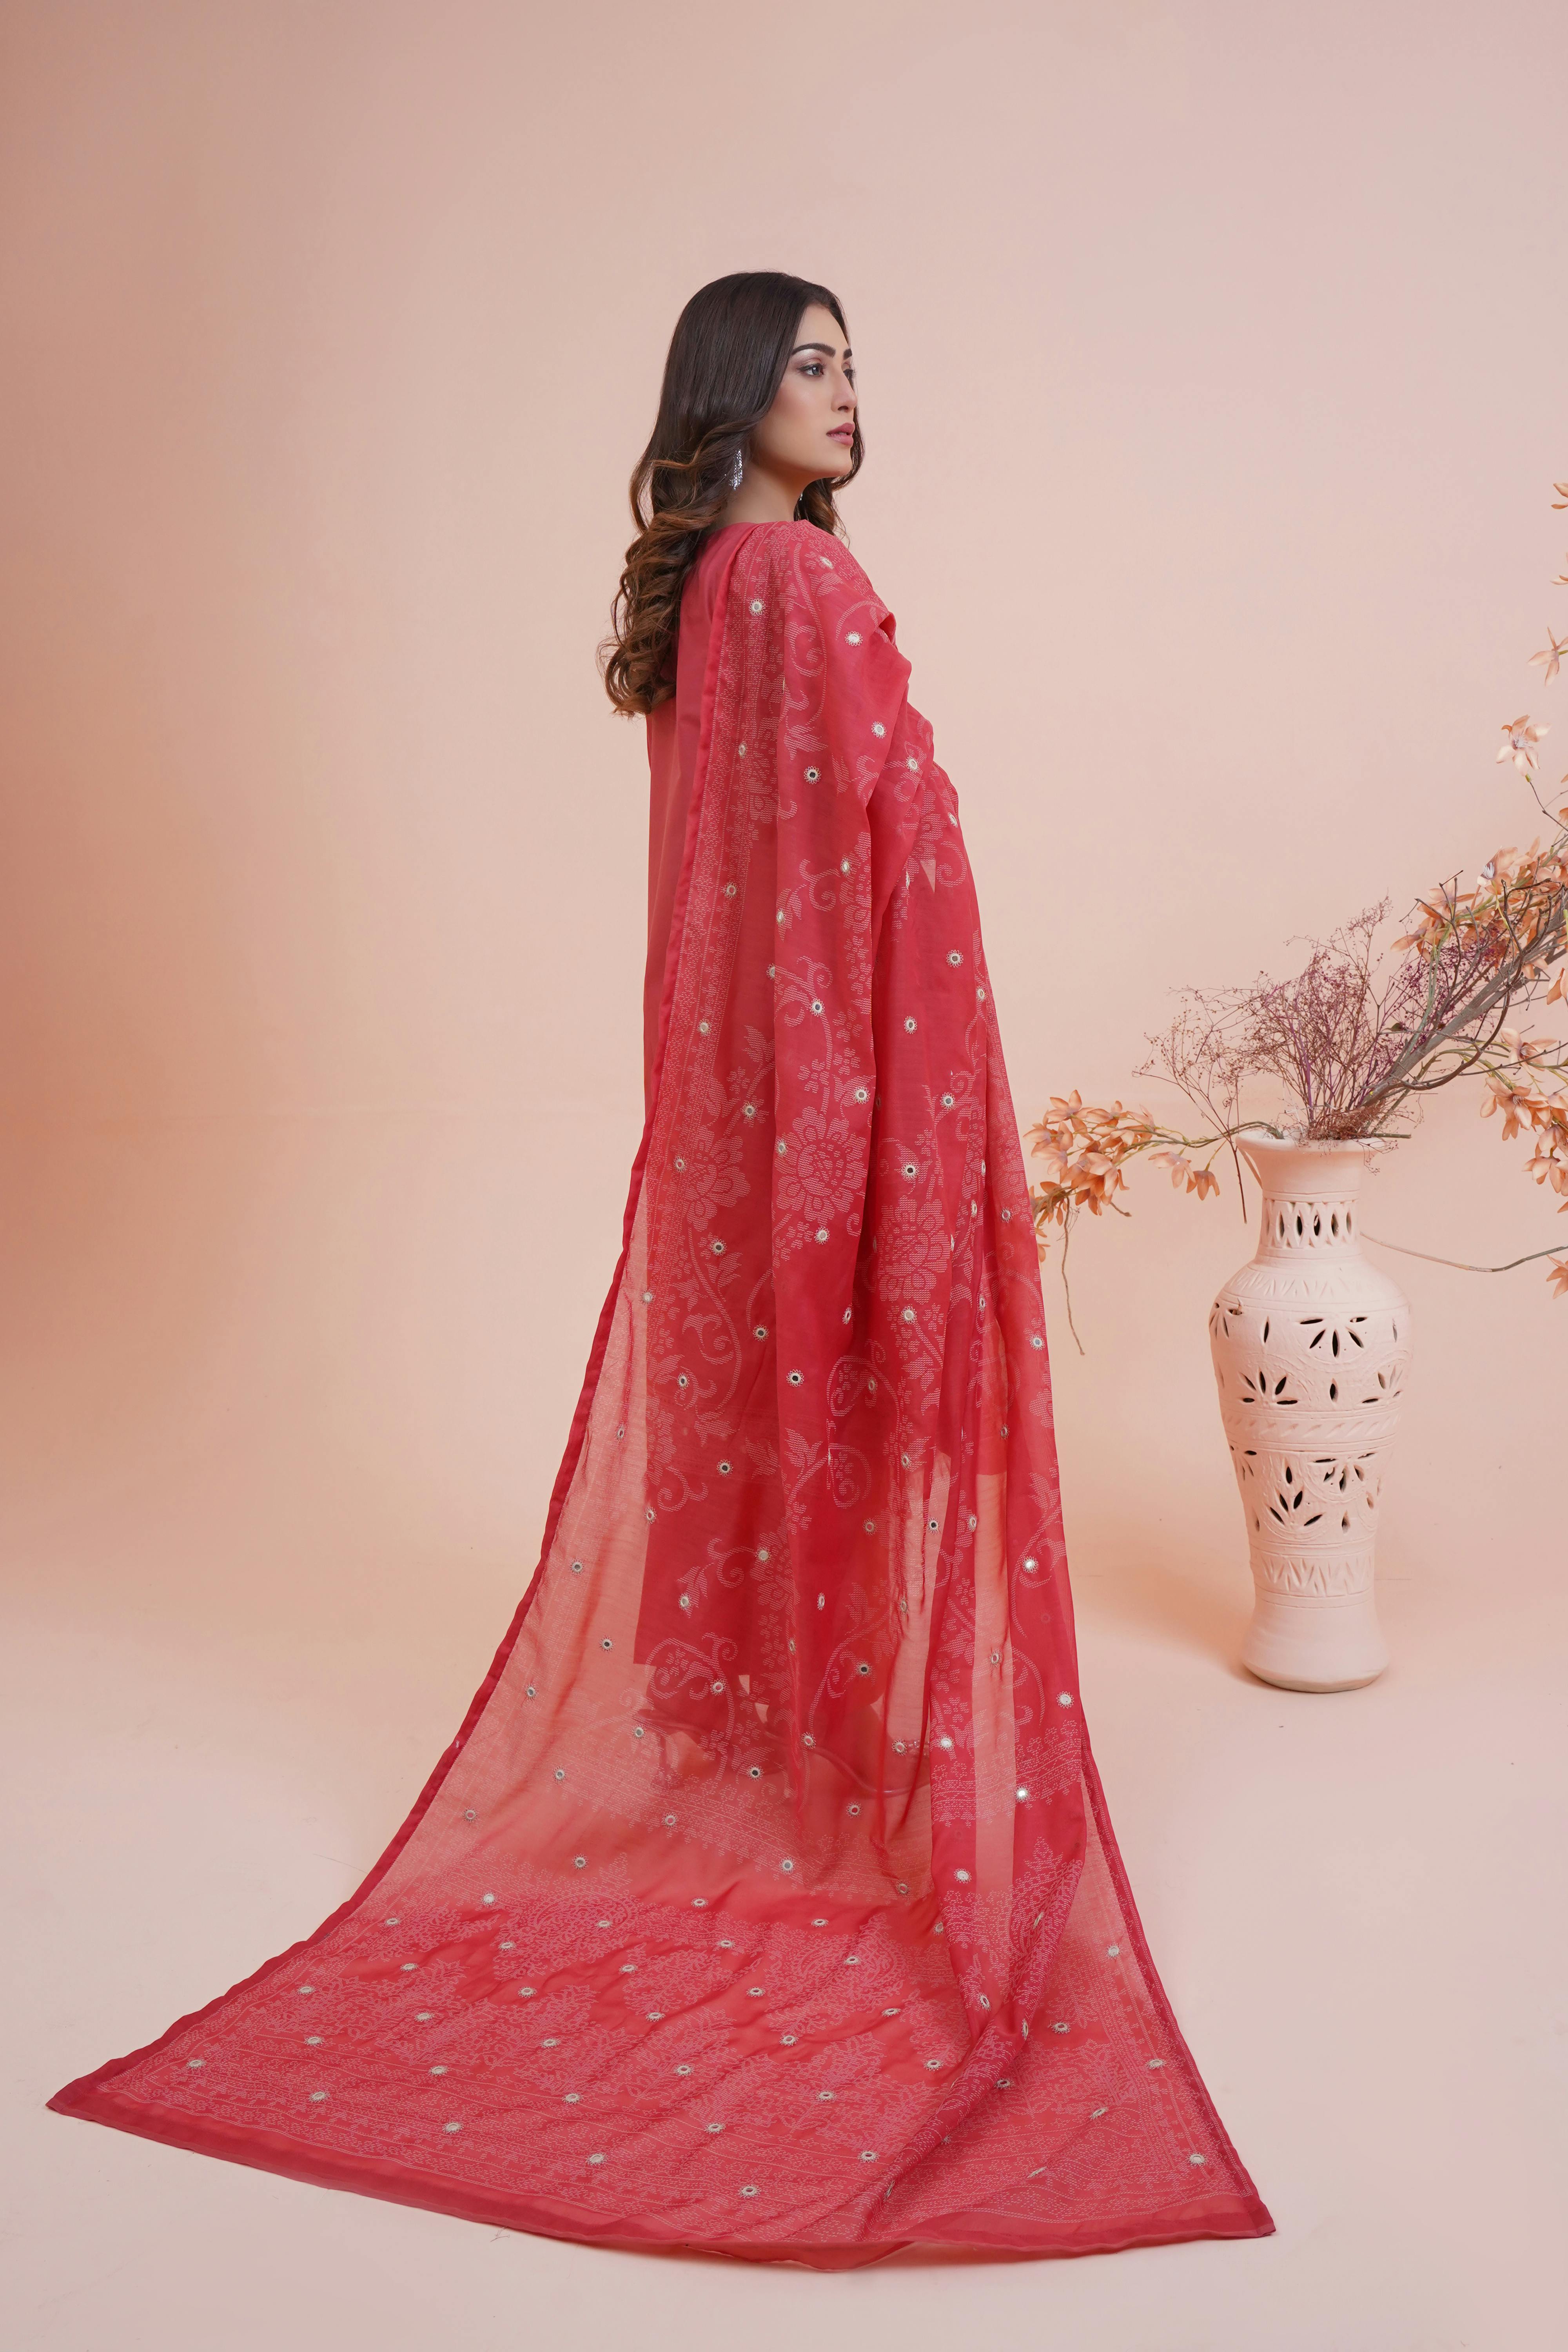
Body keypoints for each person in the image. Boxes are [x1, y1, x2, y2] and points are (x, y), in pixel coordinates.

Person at [51, 271, 1272, 2267]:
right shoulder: (794, 582)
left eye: (858, 362)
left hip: (745, 1096)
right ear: (729, 387)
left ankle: (809, 1779)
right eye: (812, 362)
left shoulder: (706, 591)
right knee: (882, 1418)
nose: (851, 393)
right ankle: (873, 1809)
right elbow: (883, 845)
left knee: (787, 1433)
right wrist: (912, 1113)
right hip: (853, 1074)